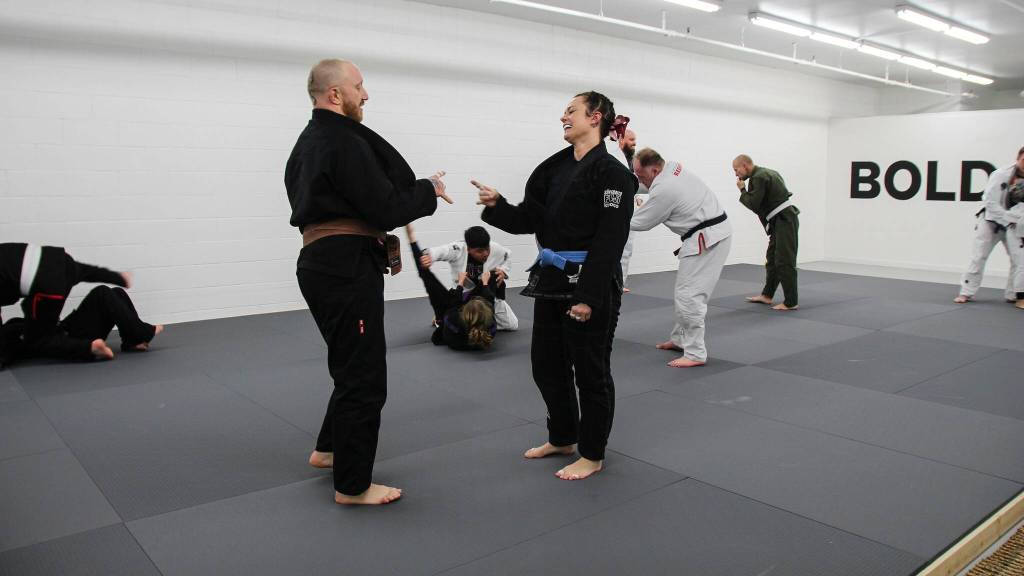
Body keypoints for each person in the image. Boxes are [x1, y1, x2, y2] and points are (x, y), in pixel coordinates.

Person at [284, 59, 451, 506]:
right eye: (359, 86)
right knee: (364, 376)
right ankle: (352, 485)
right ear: (335, 94)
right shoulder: (339, 141)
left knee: (349, 364)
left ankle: (329, 449)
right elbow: (384, 209)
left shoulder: (308, 144)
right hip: (343, 265)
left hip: (322, 261)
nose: (366, 94)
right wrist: (427, 191)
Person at [473, 91, 637, 481]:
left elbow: (610, 240)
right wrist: (497, 205)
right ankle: (563, 436)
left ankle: (592, 452)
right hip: (550, 280)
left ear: (595, 117)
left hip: (590, 283)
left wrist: (588, 296)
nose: (563, 117)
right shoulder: (552, 169)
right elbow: (528, 218)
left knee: (590, 370)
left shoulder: (613, 174)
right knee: (546, 365)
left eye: (571, 111)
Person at [630, 148, 732, 368]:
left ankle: (695, 353)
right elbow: (646, 187)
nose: (639, 179)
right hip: (711, 231)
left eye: (640, 174)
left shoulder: (666, 189)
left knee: (689, 295)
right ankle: (679, 340)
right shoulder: (671, 167)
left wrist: (608, 217)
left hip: (707, 238)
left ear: (654, 169)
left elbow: (641, 222)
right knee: (684, 290)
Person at [0, 243, 137, 364]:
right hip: (57, 259)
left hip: (46, 286)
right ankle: (137, 337)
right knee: (100, 285)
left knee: (37, 338)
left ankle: (90, 348)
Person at [1, 284, 162, 367]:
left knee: (116, 292)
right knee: (102, 292)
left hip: (66, 326)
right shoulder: (7, 337)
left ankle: (132, 341)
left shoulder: (11, 324)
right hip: (70, 339)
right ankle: (141, 332)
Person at [406, 225, 498, 350]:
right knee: (492, 275)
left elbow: (453, 306)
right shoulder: (490, 328)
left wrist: (460, 284)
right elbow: (490, 301)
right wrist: (486, 283)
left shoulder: (454, 322)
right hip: (464, 311)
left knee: (429, 279)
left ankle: (439, 316)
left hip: (448, 313)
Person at [954, 146, 1024, 308]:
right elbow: (990, 202)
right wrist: (1009, 217)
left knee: (1018, 259)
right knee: (979, 255)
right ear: (1018, 158)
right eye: (1023, 160)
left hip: (1014, 224)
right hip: (990, 220)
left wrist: (1016, 220)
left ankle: (1013, 293)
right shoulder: (1001, 174)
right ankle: (966, 292)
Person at [416, 225, 518, 330]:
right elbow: (443, 251)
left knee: (511, 325)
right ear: (468, 249)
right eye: (480, 251)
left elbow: (507, 256)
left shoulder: (494, 247)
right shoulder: (458, 249)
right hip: (462, 295)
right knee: (462, 327)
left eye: (487, 249)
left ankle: (470, 318)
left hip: (485, 293)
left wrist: (503, 271)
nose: (485, 254)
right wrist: (429, 256)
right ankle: (445, 315)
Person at [732, 155, 800, 311]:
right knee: (772, 259)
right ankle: (767, 295)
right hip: (782, 220)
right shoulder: (768, 172)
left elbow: (754, 204)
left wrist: (742, 190)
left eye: (736, 170)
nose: (736, 174)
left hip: (784, 221)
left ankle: (791, 301)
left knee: (784, 260)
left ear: (744, 165)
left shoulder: (759, 177)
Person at [612, 128, 646, 293]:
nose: (634, 143)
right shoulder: (612, 157)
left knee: (627, 248)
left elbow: (637, 183)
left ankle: (621, 282)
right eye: (631, 139)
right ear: (620, 138)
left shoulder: (632, 160)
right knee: (611, 248)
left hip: (629, 208)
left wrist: (637, 196)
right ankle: (609, 281)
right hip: (612, 208)